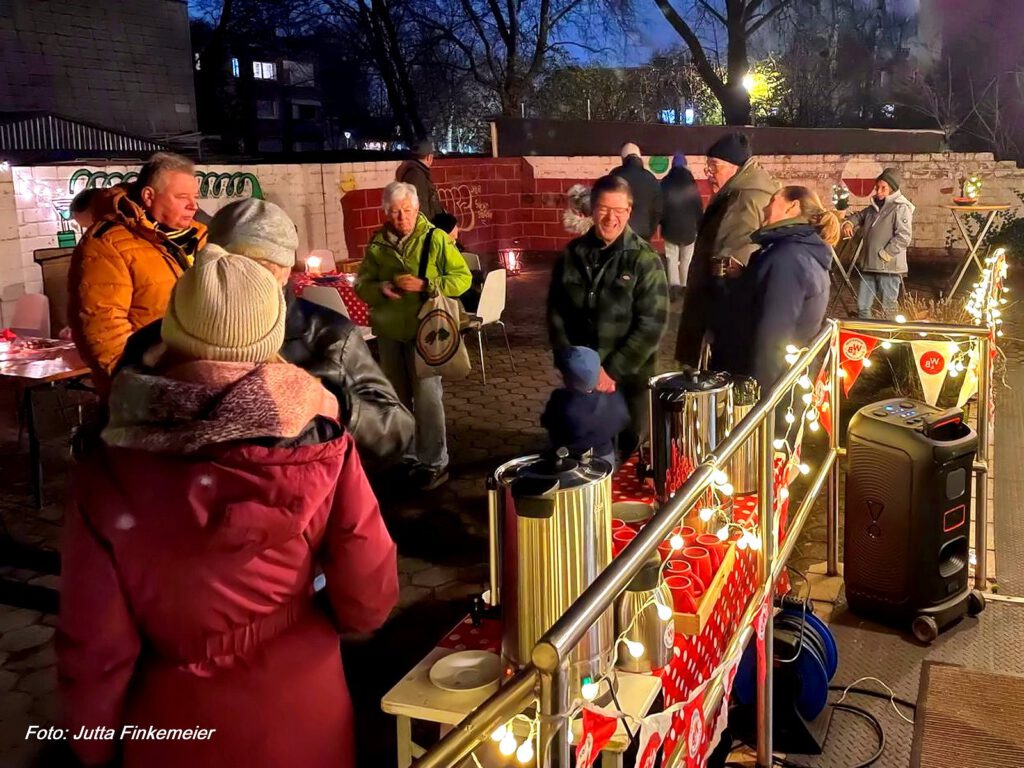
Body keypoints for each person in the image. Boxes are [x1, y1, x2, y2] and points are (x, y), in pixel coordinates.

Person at [58, 250, 398, 768]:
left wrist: (93, 745)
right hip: (300, 707)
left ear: (172, 331)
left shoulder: (108, 464)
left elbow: (94, 646)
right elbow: (369, 595)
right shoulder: (320, 441)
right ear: (270, 339)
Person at [118, 199, 415, 469]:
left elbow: (398, 432)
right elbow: (115, 436)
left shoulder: (328, 337)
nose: (241, 279)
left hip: (306, 510)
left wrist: (334, 405)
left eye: (258, 267)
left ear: (286, 271)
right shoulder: (153, 343)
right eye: (229, 263)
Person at [356, 181, 472, 489]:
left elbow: (462, 279)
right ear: (385, 212)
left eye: (406, 211)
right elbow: (361, 284)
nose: (401, 218)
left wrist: (425, 285)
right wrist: (379, 288)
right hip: (390, 330)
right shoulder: (378, 243)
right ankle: (407, 456)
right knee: (395, 397)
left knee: (427, 397)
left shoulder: (435, 238)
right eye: (394, 212)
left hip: (427, 332)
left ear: (417, 209)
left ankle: (434, 460)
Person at [547, 174, 669, 460]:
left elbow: (652, 324)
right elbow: (556, 314)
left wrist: (611, 371)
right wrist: (571, 364)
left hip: (629, 380)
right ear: (592, 208)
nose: (611, 218)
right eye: (604, 208)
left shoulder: (644, 259)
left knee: (629, 452)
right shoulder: (572, 255)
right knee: (584, 453)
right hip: (582, 379)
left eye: (620, 210)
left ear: (629, 211)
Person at [68, 152, 206, 392]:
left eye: (195, 196)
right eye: (182, 197)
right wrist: (140, 389)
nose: (193, 205)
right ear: (149, 196)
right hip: (150, 391)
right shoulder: (106, 243)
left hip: (200, 382)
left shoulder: (200, 236)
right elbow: (104, 333)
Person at [675, 132, 778, 371]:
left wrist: (712, 324)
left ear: (735, 167)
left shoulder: (744, 199)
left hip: (722, 316)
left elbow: (731, 260)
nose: (708, 172)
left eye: (714, 166)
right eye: (708, 165)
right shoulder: (738, 192)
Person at [740, 186, 840, 392]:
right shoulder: (800, 250)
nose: (764, 209)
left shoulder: (787, 258)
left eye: (773, 201)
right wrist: (745, 276)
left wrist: (762, 405)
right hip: (791, 378)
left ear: (793, 207)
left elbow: (773, 338)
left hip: (777, 389)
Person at [842, 167, 914, 319]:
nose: (878, 192)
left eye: (883, 188)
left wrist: (886, 254)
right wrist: (849, 223)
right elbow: (859, 216)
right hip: (869, 264)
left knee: (888, 307)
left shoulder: (900, 208)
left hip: (888, 267)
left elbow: (904, 236)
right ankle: (866, 335)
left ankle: (888, 337)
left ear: (893, 189)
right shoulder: (874, 207)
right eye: (877, 188)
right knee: (863, 306)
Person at [541, 345, 630, 468]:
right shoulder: (611, 400)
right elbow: (623, 418)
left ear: (566, 378)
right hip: (605, 458)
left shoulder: (560, 401)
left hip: (568, 460)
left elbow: (547, 421)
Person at [660, 153, 704, 302]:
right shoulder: (691, 183)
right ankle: (685, 288)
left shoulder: (665, 182)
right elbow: (698, 207)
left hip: (670, 228)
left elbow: (660, 206)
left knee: (671, 258)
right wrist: (700, 224)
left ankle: (674, 289)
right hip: (689, 229)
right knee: (686, 259)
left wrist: (662, 223)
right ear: (685, 165)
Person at [610, 142, 662, 241]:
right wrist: (650, 231)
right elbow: (658, 210)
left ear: (623, 158)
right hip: (644, 232)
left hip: (620, 232)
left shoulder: (614, 175)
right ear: (639, 157)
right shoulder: (651, 178)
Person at [396, 138, 444, 222]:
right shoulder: (417, 175)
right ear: (429, 157)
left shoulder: (414, 171)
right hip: (425, 226)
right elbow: (422, 206)